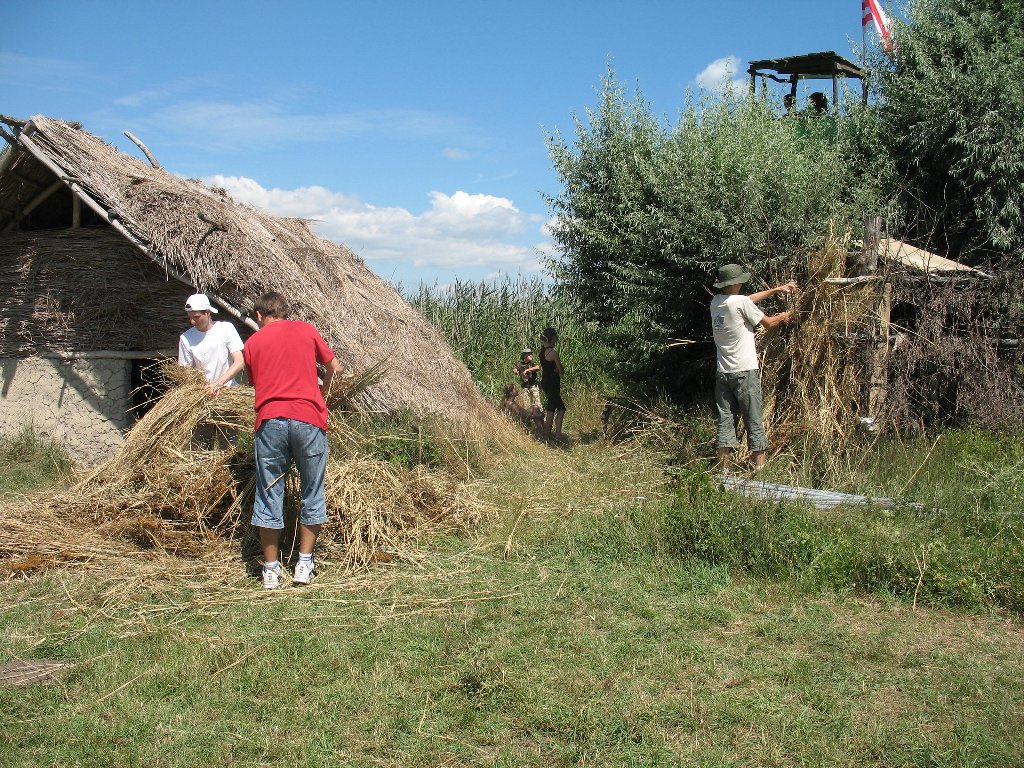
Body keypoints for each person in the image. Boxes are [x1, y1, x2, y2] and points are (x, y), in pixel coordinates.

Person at [243, 291, 343, 589]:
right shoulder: (306, 330)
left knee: (269, 491)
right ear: (285, 312)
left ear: (259, 316)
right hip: (309, 419)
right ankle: (304, 564)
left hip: (271, 420)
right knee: (312, 490)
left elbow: (257, 383)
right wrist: (321, 398)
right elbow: (335, 369)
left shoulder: (253, 343)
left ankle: (271, 570)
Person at [710, 263, 797, 471]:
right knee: (754, 418)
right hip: (745, 372)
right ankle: (759, 470)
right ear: (738, 282)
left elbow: (746, 301)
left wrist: (776, 289)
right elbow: (768, 323)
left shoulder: (716, 302)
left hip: (723, 373)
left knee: (725, 420)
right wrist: (786, 316)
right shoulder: (740, 303)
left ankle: (724, 470)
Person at [178, 293, 245, 396]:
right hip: (204, 394)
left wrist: (218, 383)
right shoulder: (186, 338)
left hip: (229, 391)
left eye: (196, 317)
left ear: (208, 312)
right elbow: (187, 372)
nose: (192, 321)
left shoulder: (226, 328)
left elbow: (239, 362)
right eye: (190, 317)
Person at [538, 327, 566, 442]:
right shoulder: (553, 353)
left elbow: (546, 367)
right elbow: (561, 371)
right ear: (553, 337)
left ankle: (547, 435)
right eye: (556, 335)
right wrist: (557, 370)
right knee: (561, 409)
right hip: (553, 383)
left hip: (545, 382)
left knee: (551, 407)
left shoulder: (542, 351)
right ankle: (558, 435)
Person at [513, 348, 542, 421]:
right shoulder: (520, 364)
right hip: (525, 387)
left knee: (537, 403)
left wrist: (528, 370)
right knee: (526, 405)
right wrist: (516, 371)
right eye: (529, 354)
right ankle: (529, 421)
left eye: (531, 354)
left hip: (533, 385)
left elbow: (538, 367)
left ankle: (541, 419)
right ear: (524, 355)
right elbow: (515, 369)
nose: (531, 355)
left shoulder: (532, 363)